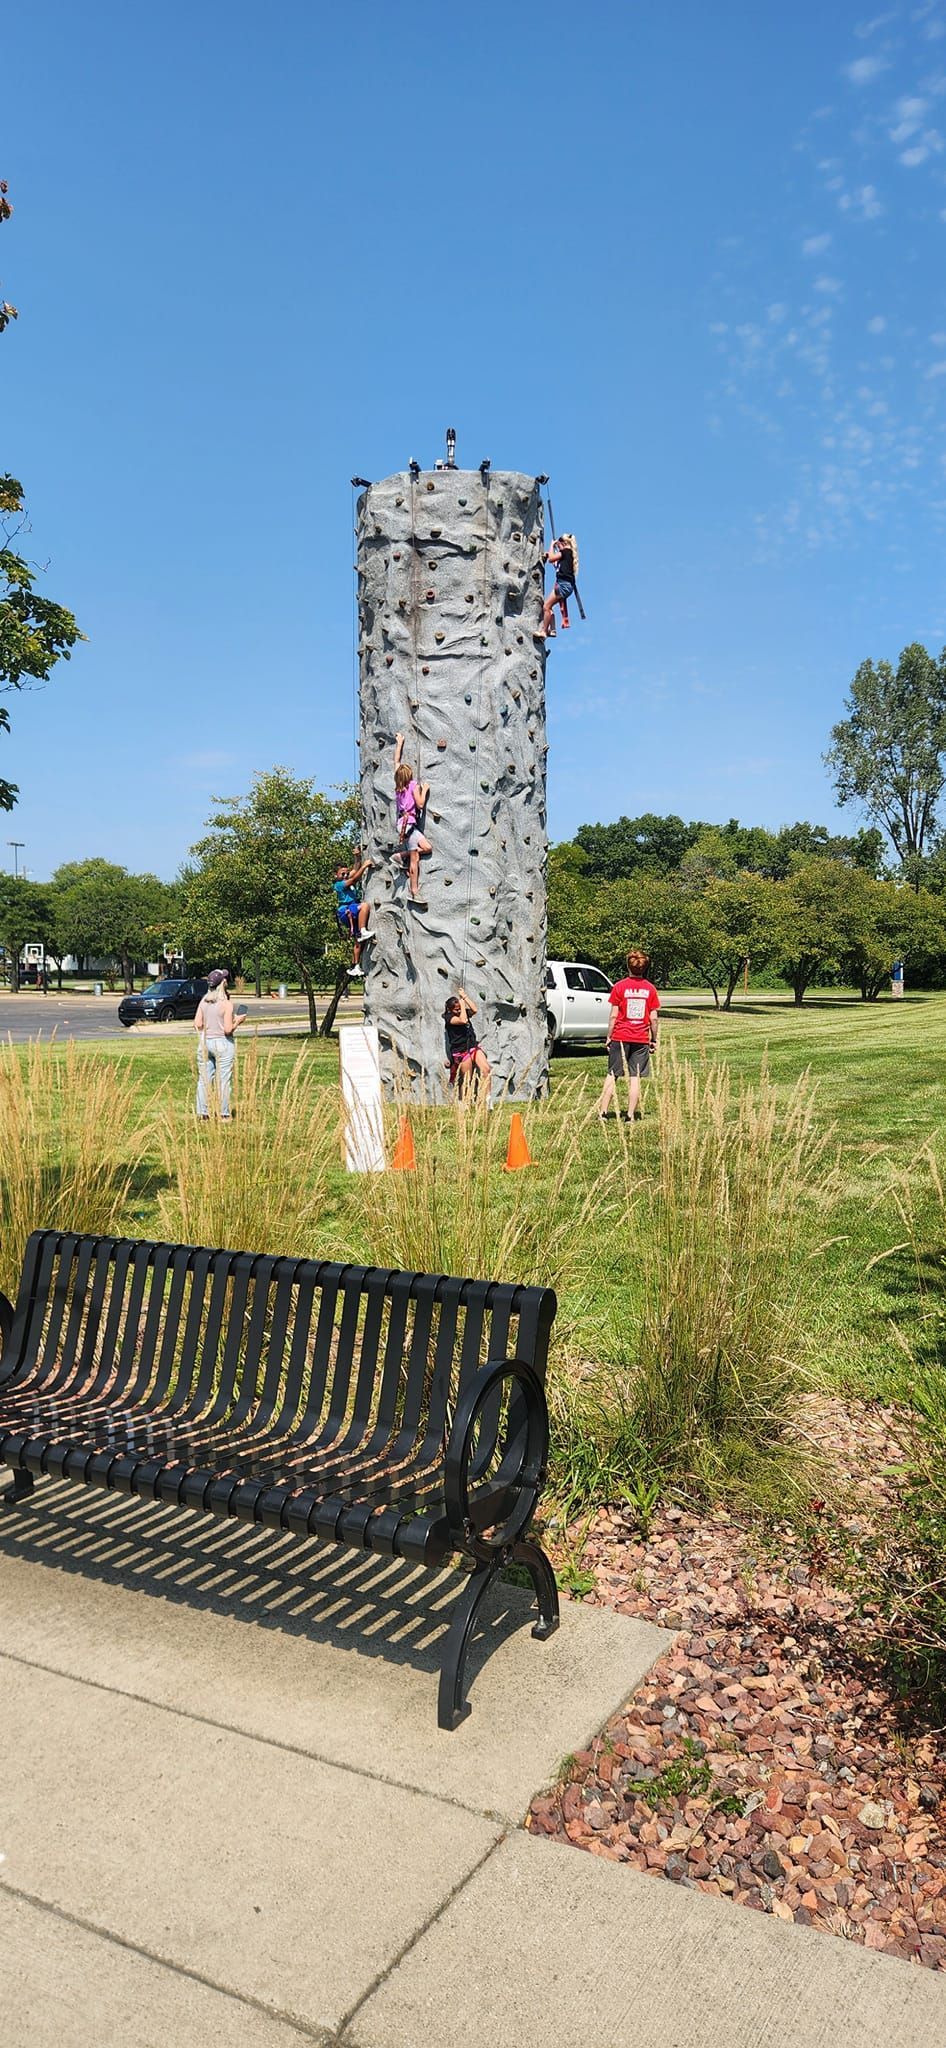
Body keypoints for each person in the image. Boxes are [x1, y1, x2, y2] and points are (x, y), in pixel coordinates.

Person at [597, 948, 660, 1122]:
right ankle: (630, 1115)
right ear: (645, 967)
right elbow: (653, 1019)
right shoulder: (650, 989)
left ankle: (603, 1112)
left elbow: (613, 1016)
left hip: (620, 1036)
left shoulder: (619, 987)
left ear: (628, 967)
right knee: (635, 1077)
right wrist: (653, 1039)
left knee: (612, 1074)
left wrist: (609, 1036)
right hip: (640, 1039)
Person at [194, 968, 247, 1122]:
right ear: (223, 983)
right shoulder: (226, 1004)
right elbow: (228, 1030)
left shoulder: (204, 1001)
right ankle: (224, 1114)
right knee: (223, 1080)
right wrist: (238, 1020)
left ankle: (203, 1114)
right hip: (222, 1044)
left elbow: (197, 1023)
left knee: (204, 1079)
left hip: (205, 1042)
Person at [394, 733, 431, 900]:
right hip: (408, 825)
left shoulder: (398, 786)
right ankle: (414, 890)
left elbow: (396, 762)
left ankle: (401, 856)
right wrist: (425, 790)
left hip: (403, 823)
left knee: (427, 847)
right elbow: (421, 804)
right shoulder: (413, 785)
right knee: (415, 857)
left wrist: (399, 743)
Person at [332, 851, 374, 975]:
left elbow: (355, 871)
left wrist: (357, 857)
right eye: (342, 874)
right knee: (365, 906)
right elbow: (355, 878)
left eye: (346, 873)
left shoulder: (347, 877)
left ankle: (355, 966)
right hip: (346, 910)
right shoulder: (339, 884)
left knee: (357, 941)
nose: (345, 875)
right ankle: (363, 930)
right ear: (336, 875)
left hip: (352, 909)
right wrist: (365, 866)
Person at [444, 989, 491, 1099]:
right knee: (467, 1079)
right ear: (450, 1010)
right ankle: (463, 1103)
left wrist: (464, 997)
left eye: (460, 1009)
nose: (459, 1011)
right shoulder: (449, 1017)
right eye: (456, 1009)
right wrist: (462, 1006)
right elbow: (463, 1020)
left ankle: (488, 1099)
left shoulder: (462, 1012)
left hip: (472, 1046)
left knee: (486, 1069)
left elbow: (474, 1010)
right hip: (461, 1051)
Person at [537, 532, 578, 640]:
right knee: (549, 606)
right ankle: (553, 630)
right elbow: (555, 562)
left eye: (558, 544)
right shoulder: (568, 554)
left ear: (563, 543)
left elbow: (551, 559)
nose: (557, 547)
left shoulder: (565, 551)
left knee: (546, 607)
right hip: (565, 585)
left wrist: (551, 544)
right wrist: (549, 554)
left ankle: (544, 632)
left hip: (563, 585)